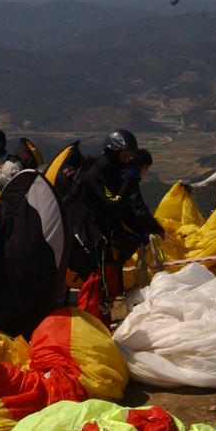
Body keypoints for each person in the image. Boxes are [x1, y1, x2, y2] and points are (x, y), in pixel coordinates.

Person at [80, 129, 165, 303]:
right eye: (125, 156)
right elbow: (113, 204)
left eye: (130, 157)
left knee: (109, 290)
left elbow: (125, 210)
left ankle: (102, 323)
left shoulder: (114, 174)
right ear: (114, 153)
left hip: (110, 235)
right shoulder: (95, 176)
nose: (128, 162)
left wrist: (143, 231)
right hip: (95, 239)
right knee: (97, 289)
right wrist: (128, 181)